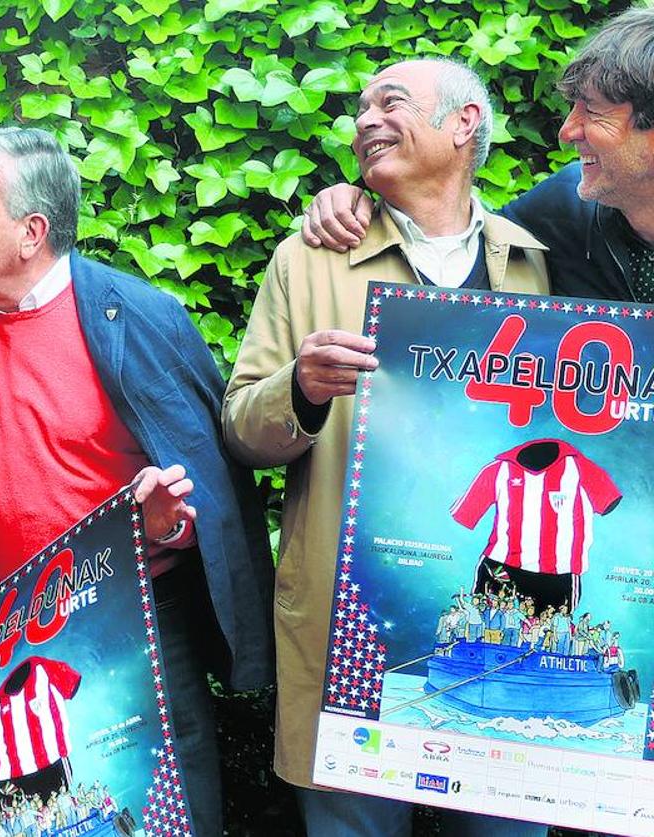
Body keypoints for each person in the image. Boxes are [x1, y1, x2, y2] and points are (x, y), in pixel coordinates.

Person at [0, 126, 274, 835]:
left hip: (136, 621)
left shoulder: (139, 317)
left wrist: (170, 519)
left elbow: (205, 488)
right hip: (0, 630)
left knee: (162, 814)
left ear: (31, 231)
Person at [221, 59, 550, 836]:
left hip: (501, 632)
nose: (365, 119)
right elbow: (240, 428)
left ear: (464, 124)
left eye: (390, 102)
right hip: (354, 631)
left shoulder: (533, 260)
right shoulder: (308, 258)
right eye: (359, 107)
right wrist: (297, 387)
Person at [302, 8, 654, 305]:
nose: (566, 131)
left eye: (592, 110)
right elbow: (459, 227)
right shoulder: (563, 207)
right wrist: (348, 199)